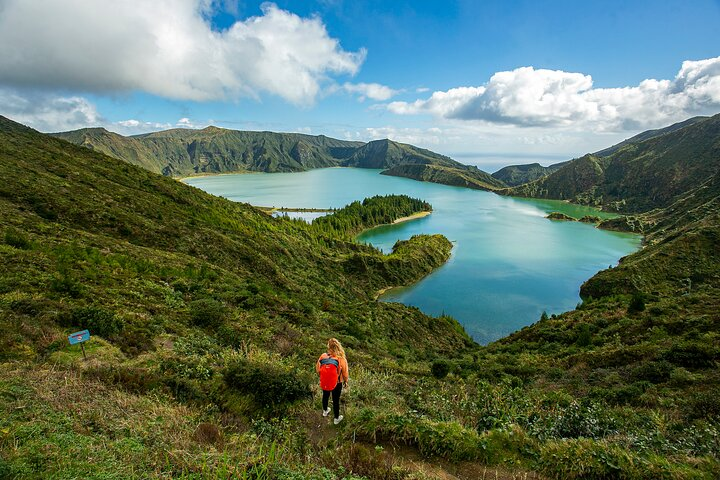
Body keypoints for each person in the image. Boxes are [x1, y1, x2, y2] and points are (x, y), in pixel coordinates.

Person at [316, 338, 349, 425]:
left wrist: (325, 376)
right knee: (335, 400)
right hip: (337, 382)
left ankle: (325, 410)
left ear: (328, 347)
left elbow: (318, 369)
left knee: (325, 395)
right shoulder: (341, 359)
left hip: (325, 380)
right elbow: (345, 373)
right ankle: (336, 418)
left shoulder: (323, 356)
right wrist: (346, 381)